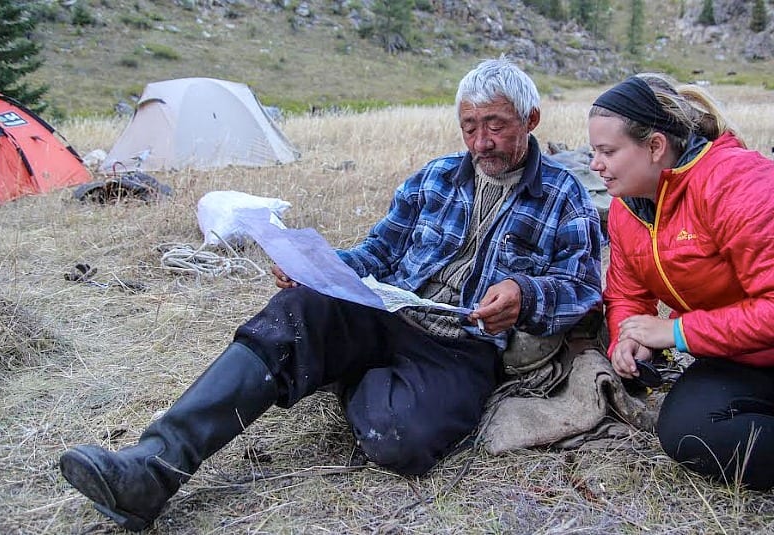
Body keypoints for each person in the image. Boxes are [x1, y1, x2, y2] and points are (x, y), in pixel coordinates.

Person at [60, 56, 602, 532]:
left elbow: (582, 287)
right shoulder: (434, 178)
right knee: (296, 311)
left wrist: (526, 294)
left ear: (530, 120)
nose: (481, 142)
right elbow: (376, 254)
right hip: (385, 310)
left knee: (400, 441)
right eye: (469, 127)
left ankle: (339, 370)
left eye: (496, 126)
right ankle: (152, 467)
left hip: (463, 345)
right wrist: (318, 270)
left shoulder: (562, 193)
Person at [588, 73, 774, 491]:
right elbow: (625, 293)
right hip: (741, 355)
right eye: (593, 151)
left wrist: (675, 332)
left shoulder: (737, 184)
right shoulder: (626, 208)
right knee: (687, 432)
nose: (595, 164)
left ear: (655, 146)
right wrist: (628, 339)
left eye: (607, 151)